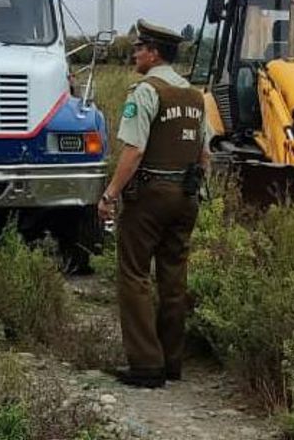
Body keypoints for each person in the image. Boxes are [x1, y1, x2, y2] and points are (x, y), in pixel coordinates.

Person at [99, 19, 209, 388]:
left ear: (154, 53)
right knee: (174, 277)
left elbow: (134, 150)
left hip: (149, 196)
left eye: (139, 48)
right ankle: (172, 361)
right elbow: (204, 153)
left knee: (134, 275)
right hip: (186, 196)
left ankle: (146, 364)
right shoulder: (195, 96)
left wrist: (111, 194)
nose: (134, 54)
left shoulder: (146, 91)